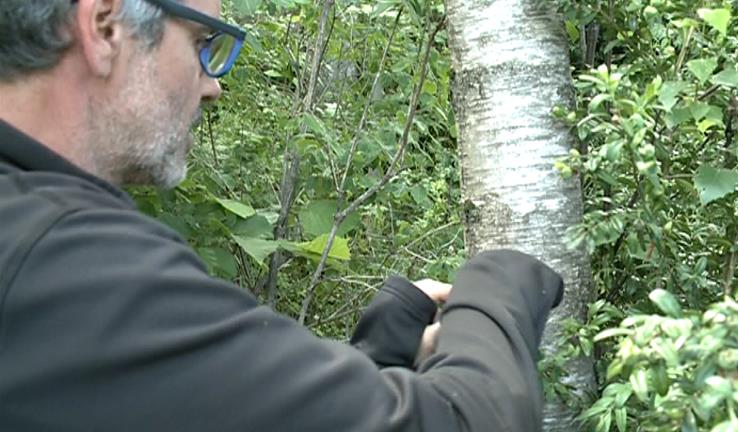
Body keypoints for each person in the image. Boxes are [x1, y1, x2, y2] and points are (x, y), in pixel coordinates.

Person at [0, 0, 564, 430]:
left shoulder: (33, 244)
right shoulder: (65, 261)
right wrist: (497, 283)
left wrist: (381, 356)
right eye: (204, 43)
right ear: (104, 26)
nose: (213, 85)